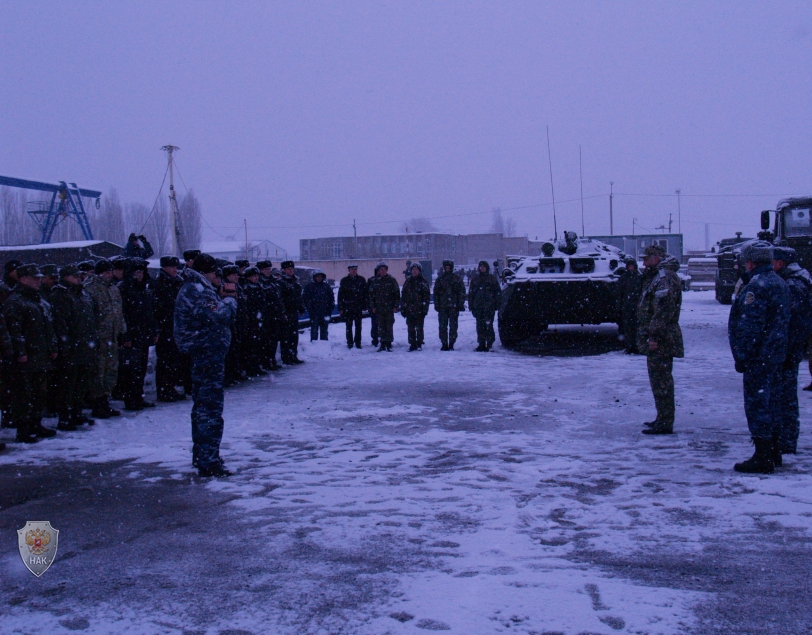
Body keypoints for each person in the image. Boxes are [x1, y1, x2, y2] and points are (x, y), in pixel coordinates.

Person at [728, 241, 790, 474]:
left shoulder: (757, 286)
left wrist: (743, 355)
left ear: (750, 262)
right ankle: (774, 450)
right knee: (773, 402)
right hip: (775, 354)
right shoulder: (779, 282)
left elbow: (750, 326)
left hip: (759, 357)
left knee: (758, 404)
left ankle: (763, 455)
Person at [174, 253, 237, 477]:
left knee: (203, 406)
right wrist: (229, 299)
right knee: (209, 408)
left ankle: (203, 455)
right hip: (206, 354)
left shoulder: (197, 288)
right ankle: (208, 460)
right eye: (215, 273)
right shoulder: (197, 290)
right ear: (206, 272)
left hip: (205, 353)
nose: (218, 277)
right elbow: (219, 316)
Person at [3, 264, 58, 443]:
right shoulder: (15, 301)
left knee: (39, 392)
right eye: (34, 278)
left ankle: (36, 423)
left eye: (38, 278)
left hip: (41, 354)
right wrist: (20, 352)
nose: (38, 281)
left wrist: (52, 347)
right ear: (23, 279)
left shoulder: (39, 300)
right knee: (23, 394)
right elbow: (14, 329)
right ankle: (23, 429)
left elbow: (48, 326)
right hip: (27, 356)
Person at [636, 245, 684, 435]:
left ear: (656, 258)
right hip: (660, 336)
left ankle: (665, 421)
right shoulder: (658, 276)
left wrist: (654, 336)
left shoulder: (664, 278)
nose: (644, 262)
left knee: (662, 380)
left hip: (662, 338)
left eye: (647, 258)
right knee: (658, 380)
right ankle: (662, 417)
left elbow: (663, 310)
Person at [771, 246, 812, 463]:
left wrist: (785, 348)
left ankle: (787, 441)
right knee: (784, 396)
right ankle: (785, 439)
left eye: (773, 261)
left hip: (788, 350)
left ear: (780, 263)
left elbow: (794, 322)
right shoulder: (793, 280)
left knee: (785, 397)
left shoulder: (794, 285)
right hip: (788, 348)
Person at [49, 265, 98, 430]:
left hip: (84, 346)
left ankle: (77, 413)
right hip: (71, 348)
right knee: (67, 385)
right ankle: (65, 416)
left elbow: (89, 319)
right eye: (74, 276)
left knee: (81, 383)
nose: (78, 278)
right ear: (65, 277)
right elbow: (60, 324)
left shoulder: (81, 294)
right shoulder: (60, 295)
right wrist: (66, 345)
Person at [84, 259, 126, 419]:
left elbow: (119, 312)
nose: (109, 275)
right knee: (98, 372)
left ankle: (105, 401)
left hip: (112, 336)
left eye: (110, 272)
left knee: (111, 370)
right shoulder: (91, 289)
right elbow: (89, 316)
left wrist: (122, 330)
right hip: (99, 338)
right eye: (106, 272)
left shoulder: (114, 289)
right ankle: (97, 403)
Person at [118, 259, 156, 410]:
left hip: (143, 334)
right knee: (131, 370)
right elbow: (122, 315)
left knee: (140, 368)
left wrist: (153, 331)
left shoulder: (143, 289)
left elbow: (150, 312)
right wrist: (125, 336)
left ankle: (138, 397)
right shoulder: (124, 289)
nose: (140, 275)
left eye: (141, 272)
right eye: (137, 272)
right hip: (132, 335)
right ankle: (131, 398)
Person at [152, 256, 186, 402]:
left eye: (176, 267)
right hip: (166, 327)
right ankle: (164, 390)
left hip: (176, 326)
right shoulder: (159, 284)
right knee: (165, 361)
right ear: (164, 267)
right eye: (172, 267)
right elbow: (156, 309)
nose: (175, 270)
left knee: (174, 360)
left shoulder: (177, 282)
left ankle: (170, 387)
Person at [468, 260, 501, 352]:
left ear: (486, 268)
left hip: (489, 307)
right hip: (478, 307)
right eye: (481, 267)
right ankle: (481, 344)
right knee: (480, 326)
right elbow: (471, 294)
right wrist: (471, 306)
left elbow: (497, 292)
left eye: (484, 267)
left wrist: (496, 305)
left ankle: (489, 344)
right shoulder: (475, 279)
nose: (482, 268)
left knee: (488, 325)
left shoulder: (492, 279)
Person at [222, 264, 246, 386]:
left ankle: (234, 373)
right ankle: (228, 375)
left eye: (237, 274)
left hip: (239, 321)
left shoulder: (238, 286)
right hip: (231, 323)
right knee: (230, 351)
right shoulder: (225, 286)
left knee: (236, 349)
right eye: (233, 275)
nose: (236, 276)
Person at [433, 260, 466, 351]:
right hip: (443, 307)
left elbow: (462, 292)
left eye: (449, 267)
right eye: (446, 267)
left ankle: (451, 343)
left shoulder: (456, 278)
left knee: (453, 326)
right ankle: (444, 343)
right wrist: (437, 304)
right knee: (443, 326)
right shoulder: (440, 279)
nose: (447, 268)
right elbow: (436, 293)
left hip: (454, 307)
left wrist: (460, 303)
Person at [367, 262, 400, 351]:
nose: (383, 271)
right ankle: (382, 343)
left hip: (389, 308)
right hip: (379, 308)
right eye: (381, 269)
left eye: (384, 269)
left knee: (389, 326)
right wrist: (372, 307)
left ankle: (388, 344)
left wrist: (396, 305)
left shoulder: (391, 280)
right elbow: (371, 295)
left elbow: (397, 294)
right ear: (378, 271)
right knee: (380, 327)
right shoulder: (375, 281)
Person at [277, 260, 305, 364]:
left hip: (293, 311)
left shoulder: (295, 281)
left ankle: (293, 355)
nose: (291, 271)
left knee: (294, 336)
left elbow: (299, 296)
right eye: (289, 269)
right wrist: (283, 312)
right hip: (286, 312)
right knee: (286, 336)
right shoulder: (281, 282)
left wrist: (301, 307)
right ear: (283, 270)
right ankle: (286, 357)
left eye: (292, 269)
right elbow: (280, 299)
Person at [400, 263, 430, 351]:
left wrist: (425, 308)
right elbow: (404, 295)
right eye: (413, 269)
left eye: (416, 269)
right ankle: (412, 343)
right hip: (409, 309)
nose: (414, 271)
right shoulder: (408, 281)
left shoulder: (423, 281)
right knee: (410, 327)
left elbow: (426, 296)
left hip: (419, 309)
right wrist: (403, 307)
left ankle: (419, 343)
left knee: (419, 327)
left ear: (419, 271)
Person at [338, 263, 367, 349]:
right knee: (348, 326)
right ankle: (350, 342)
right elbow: (340, 295)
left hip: (358, 306)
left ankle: (358, 342)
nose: (354, 271)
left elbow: (365, 294)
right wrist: (341, 307)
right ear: (349, 270)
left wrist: (365, 305)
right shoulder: (344, 281)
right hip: (348, 307)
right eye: (352, 269)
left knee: (358, 326)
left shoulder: (361, 280)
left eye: (355, 269)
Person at [617, 257, 643, 354]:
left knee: (637, 327)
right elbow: (619, 292)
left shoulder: (639, 278)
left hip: (637, 305)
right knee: (627, 327)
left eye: (632, 266)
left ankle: (636, 346)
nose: (631, 268)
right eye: (629, 266)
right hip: (627, 306)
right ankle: (629, 346)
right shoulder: (624, 278)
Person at [303, 269, 334, 341]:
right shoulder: (309, 287)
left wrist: (330, 309)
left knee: (324, 331)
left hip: (325, 313)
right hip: (314, 314)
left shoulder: (326, 287)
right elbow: (305, 299)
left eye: (321, 276)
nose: (319, 278)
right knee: (314, 331)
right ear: (314, 277)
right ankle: (314, 346)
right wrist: (310, 309)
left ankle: (324, 346)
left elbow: (331, 298)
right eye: (318, 276)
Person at [367, 265, 381, 347]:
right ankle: (375, 339)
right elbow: (368, 294)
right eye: (379, 270)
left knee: (385, 325)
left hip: (385, 307)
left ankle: (385, 340)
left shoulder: (388, 280)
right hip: (374, 307)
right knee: (375, 324)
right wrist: (370, 306)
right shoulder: (371, 280)